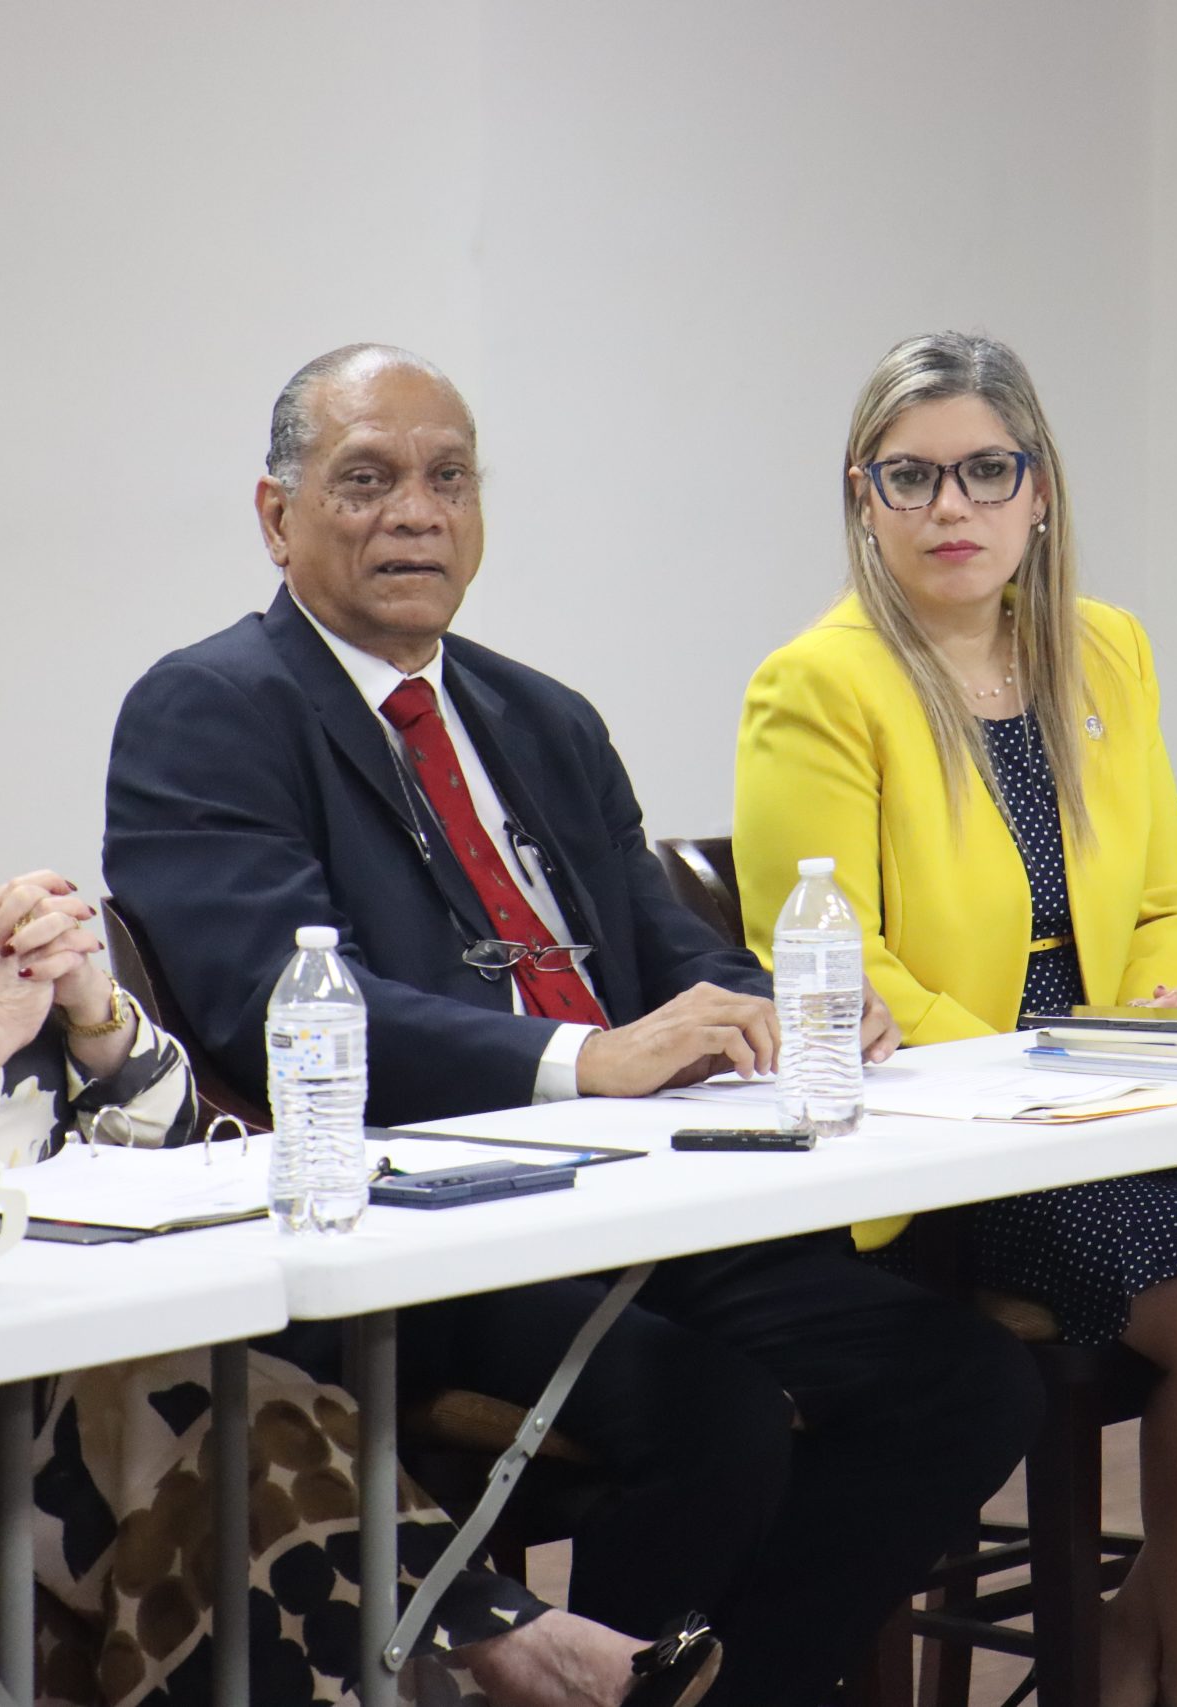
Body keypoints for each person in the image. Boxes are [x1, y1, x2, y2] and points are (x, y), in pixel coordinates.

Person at [0, 512, 676, 1706]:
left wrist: (94, 1014)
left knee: (214, 1413)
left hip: (11, 1369)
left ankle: (499, 1649)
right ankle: (511, 1647)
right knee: (198, 1410)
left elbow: (180, 1145)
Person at [103, 344, 1042, 1707]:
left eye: (448, 479)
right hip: (439, 1229)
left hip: (649, 1196)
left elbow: (664, 944)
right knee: (714, 1420)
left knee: (961, 1381)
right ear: (276, 515)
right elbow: (271, 998)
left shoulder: (538, 714)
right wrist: (581, 1061)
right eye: (365, 480)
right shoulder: (212, 708)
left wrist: (780, 1010)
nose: (415, 513)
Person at [732, 331, 1177, 1707]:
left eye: (985, 471)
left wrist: (1148, 1019)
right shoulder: (819, 683)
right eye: (910, 476)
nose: (950, 507)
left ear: (1039, 490)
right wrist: (1032, 1073)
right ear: (862, 496)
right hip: (958, 1134)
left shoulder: (1104, 649)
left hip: (1117, 1088)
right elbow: (830, 955)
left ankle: (1135, 1637)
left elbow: (1158, 894)